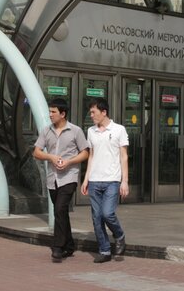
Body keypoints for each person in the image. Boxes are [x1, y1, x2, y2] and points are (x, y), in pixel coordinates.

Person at [33, 97, 89, 263]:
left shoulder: (76, 131)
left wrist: (69, 161)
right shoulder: (46, 131)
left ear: (62, 114)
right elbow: (36, 152)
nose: (50, 114)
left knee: (59, 209)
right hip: (52, 179)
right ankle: (69, 245)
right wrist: (50, 157)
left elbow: (85, 152)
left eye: (53, 112)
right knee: (61, 212)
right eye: (50, 111)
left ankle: (57, 247)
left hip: (69, 177)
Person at [81, 97, 128, 263]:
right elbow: (91, 156)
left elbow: (123, 156)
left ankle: (119, 235)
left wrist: (125, 181)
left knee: (107, 213)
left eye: (94, 112)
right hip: (94, 180)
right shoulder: (91, 131)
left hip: (112, 181)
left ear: (104, 112)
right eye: (91, 112)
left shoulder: (119, 130)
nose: (91, 115)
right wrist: (86, 179)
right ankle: (105, 250)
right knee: (96, 218)